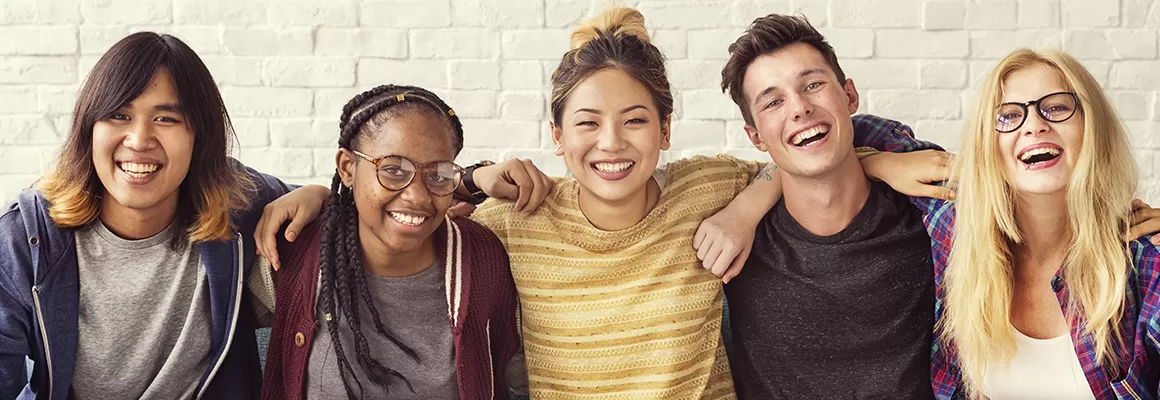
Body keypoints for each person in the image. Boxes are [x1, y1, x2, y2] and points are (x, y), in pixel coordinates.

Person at [0, 32, 323, 399]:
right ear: (89, 129)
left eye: (166, 118)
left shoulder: (235, 203)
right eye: (119, 115)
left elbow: (353, 222)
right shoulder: (27, 237)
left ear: (197, 136)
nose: (139, 140)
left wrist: (319, 195)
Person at [863, 49, 1160, 399]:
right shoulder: (959, 226)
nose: (1034, 125)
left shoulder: (1142, 262)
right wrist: (880, 163)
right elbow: (840, 131)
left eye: (1057, 107)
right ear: (987, 146)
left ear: (1093, 128)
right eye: (1008, 116)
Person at [257, 84, 522, 399]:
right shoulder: (296, 252)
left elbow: (519, 381)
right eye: (394, 170)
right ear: (347, 168)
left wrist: (477, 178)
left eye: (437, 175)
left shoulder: (481, 260)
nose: (418, 197)